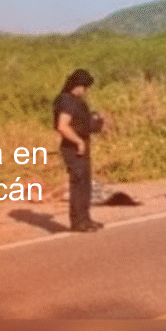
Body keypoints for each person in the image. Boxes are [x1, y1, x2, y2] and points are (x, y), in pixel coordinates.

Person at [53, 69, 103, 232]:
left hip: (81, 144)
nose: (86, 91)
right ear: (78, 85)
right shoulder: (67, 101)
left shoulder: (75, 101)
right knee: (78, 183)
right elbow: (62, 126)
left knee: (85, 184)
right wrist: (78, 142)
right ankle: (78, 222)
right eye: (85, 87)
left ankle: (85, 218)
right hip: (73, 147)